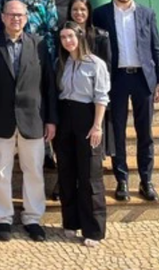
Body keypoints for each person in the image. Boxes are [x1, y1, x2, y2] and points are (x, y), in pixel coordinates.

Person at [0, 0, 57, 243]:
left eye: (20, 15)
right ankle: (3, 218)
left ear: (26, 17)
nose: (15, 19)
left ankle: (32, 218)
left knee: (33, 171)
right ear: (2, 17)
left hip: (33, 119)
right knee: (0, 171)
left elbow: (49, 84)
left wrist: (51, 120)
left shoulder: (39, 44)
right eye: (11, 15)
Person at [92, 0, 159, 203]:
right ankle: (122, 179)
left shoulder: (147, 13)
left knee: (145, 132)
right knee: (117, 132)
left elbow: (156, 47)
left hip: (143, 79)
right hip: (116, 79)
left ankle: (147, 180)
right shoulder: (101, 14)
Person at [55, 21, 110, 247]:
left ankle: (93, 230)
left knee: (89, 176)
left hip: (87, 117)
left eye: (70, 36)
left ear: (80, 37)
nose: (67, 41)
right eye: (63, 37)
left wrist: (97, 126)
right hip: (65, 117)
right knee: (67, 172)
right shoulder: (63, 63)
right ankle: (71, 222)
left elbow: (101, 97)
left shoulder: (95, 64)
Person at [68, 0, 115, 158]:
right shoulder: (64, 34)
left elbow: (107, 66)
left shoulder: (101, 36)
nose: (78, 13)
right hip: (72, 98)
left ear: (89, 12)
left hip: (94, 96)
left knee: (93, 144)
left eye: (82, 9)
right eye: (75, 9)